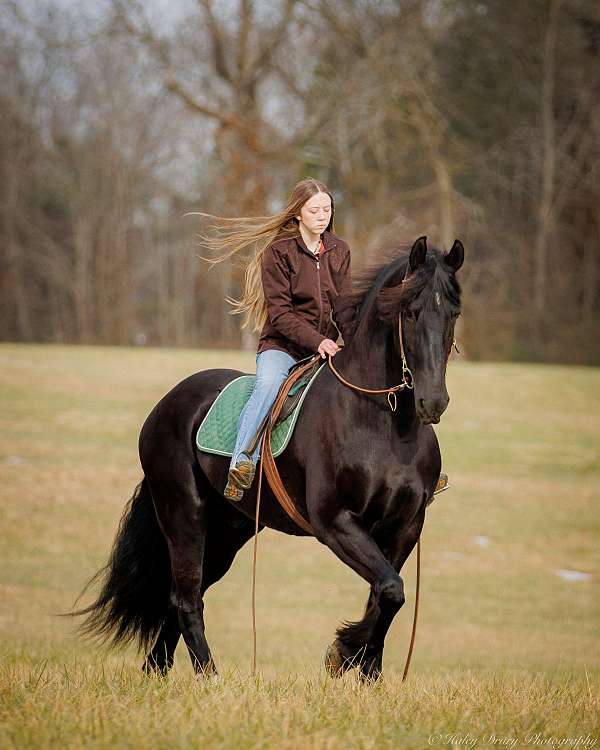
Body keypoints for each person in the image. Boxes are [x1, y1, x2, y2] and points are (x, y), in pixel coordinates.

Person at [195, 178, 355, 501]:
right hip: (282, 348)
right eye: (314, 210)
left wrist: (354, 341)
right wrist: (319, 342)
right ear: (298, 214)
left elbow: (345, 305)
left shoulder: (340, 250)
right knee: (268, 385)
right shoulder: (278, 253)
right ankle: (241, 461)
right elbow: (281, 315)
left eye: (327, 209)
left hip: (326, 351)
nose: (323, 216)